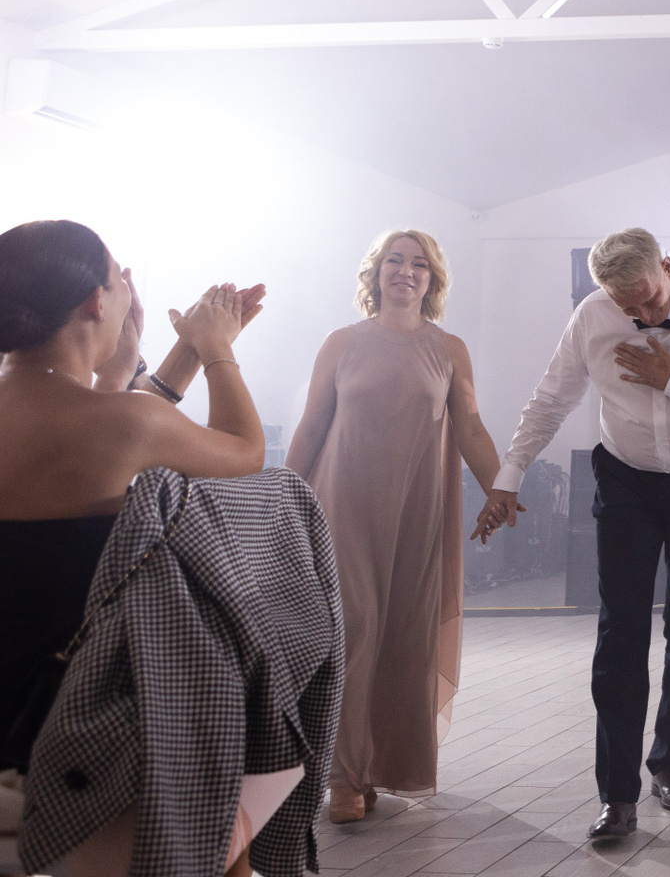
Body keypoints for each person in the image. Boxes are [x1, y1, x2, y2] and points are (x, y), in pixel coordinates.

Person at [0, 220, 284, 876]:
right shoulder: (122, 421)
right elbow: (246, 454)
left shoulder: (105, 415)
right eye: (118, 279)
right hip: (81, 715)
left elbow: (97, 430)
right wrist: (217, 348)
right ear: (96, 302)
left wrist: (164, 359)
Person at [477, 228, 670, 838]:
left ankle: (669, 762)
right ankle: (617, 795)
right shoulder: (592, 316)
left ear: (667, 265)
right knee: (619, 631)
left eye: (649, 298)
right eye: (626, 305)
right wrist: (510, 476)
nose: (642, 314)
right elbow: (551, 399)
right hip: (624, 476)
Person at [286, 229, 507, 824]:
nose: (405, 271)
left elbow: (471, 426)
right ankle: (343, 779)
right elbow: (311, 426)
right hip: (344, 506)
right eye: (394, 260)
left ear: (432, 280)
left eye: (418, 264)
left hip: (416, 510)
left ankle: (380, 766)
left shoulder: (449, 348)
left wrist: (500, 488)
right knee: (353, 633)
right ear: (376, 272)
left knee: (406, 641)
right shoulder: (341, 343)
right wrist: (283, 497)